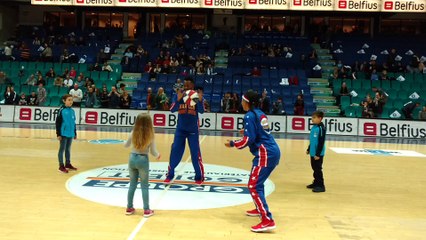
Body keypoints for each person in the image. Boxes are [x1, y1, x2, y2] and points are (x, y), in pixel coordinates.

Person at [224, 90, 280, 233]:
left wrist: (233, 143)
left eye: (242, 100)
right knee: (256, 184)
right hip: (272, 151)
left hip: (265, 154)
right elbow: (262, 131)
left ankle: (267, 220)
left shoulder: (249, 115)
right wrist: (248, 131)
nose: (241, 103)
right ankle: (258, 207)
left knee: (253, 185)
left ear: (246, 102)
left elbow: (248, 141)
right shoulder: (260, 113)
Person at [164, 77, 205, 184]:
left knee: (195, 154)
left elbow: (201, 111)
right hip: (180, 129)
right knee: (175, 151)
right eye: (184, 85)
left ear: (192, 86)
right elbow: (172, 110)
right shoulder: (179, 95)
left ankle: (199, 176)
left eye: (188, 85)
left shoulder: (195, 96)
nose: (185, 87)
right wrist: (178, 99)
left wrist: (200, 101)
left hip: (193, 131)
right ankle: (170, 174)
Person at [124, 113, 161, 217]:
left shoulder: (133, 132)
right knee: (144, 186)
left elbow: (126, 145)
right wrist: (158, 155)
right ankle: (146, 210)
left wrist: (126, 142)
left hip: (132, 158)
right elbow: (153, 152)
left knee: (132, 185)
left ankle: (129, 208)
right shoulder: (150, 135)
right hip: (143, 159)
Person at [55, 94, 78, 174]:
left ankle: (67, 164)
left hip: (70, 133)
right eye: (69, 100)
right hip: (63, 133)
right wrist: (58, 134)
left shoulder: (72, 111)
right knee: (62, 149)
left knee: (68, 149)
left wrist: (75, 133)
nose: (71, 101)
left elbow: (73, 122)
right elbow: (58, 123)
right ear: (64, 101)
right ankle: (61, 166)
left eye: (71, 100)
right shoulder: (61, 110)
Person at [306, 111, 326, 193]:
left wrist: (318, 154)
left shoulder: (321, 128)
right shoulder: (314, 127)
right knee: (314, 168)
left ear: (320, 118)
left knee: (318, 169)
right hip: (313, 152)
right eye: (312, 117)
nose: (312, 119)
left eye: (314, 117)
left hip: (318, 154)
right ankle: (316, 182)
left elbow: (321, 142)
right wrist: (309, 148)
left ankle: (321, 186)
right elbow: (312, 140)